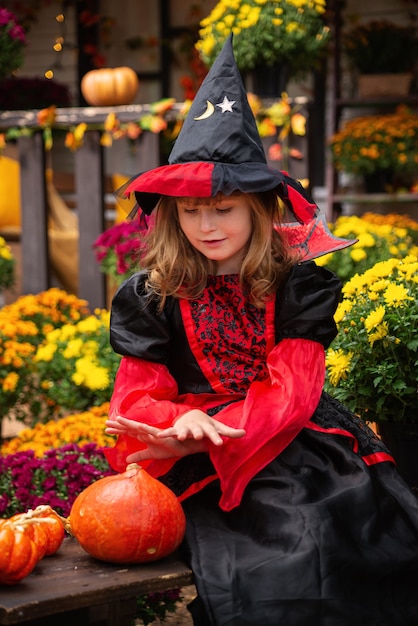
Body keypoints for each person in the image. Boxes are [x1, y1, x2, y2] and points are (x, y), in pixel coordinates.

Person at [104, 37, 418, 625]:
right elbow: (133, 401)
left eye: (223, 208)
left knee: (327, 532)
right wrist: (179, 421)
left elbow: (291, 394)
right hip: (189, 453)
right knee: (249, 564)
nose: (206, 223)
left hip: (293, 440)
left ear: (257, 206)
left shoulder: (296, 285)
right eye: (191, 211)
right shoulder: (154, 294)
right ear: (171, 214)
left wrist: (213, 429)